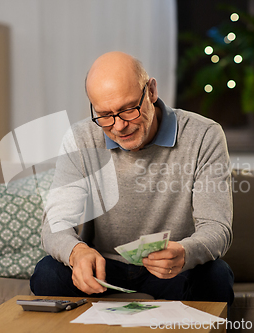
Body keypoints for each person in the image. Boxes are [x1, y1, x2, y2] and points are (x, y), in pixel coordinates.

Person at [30, 51, 234, 307]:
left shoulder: (204, 135)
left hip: (171, 269)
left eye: (128, 110)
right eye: (104, 115)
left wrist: (184, 253)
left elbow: (217, 228)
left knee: (215, 276)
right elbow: (54, 225)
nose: (118, 126)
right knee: (47, 273)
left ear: (151, 91)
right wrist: (78, 253)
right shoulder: (81, 138)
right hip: (103, 268)